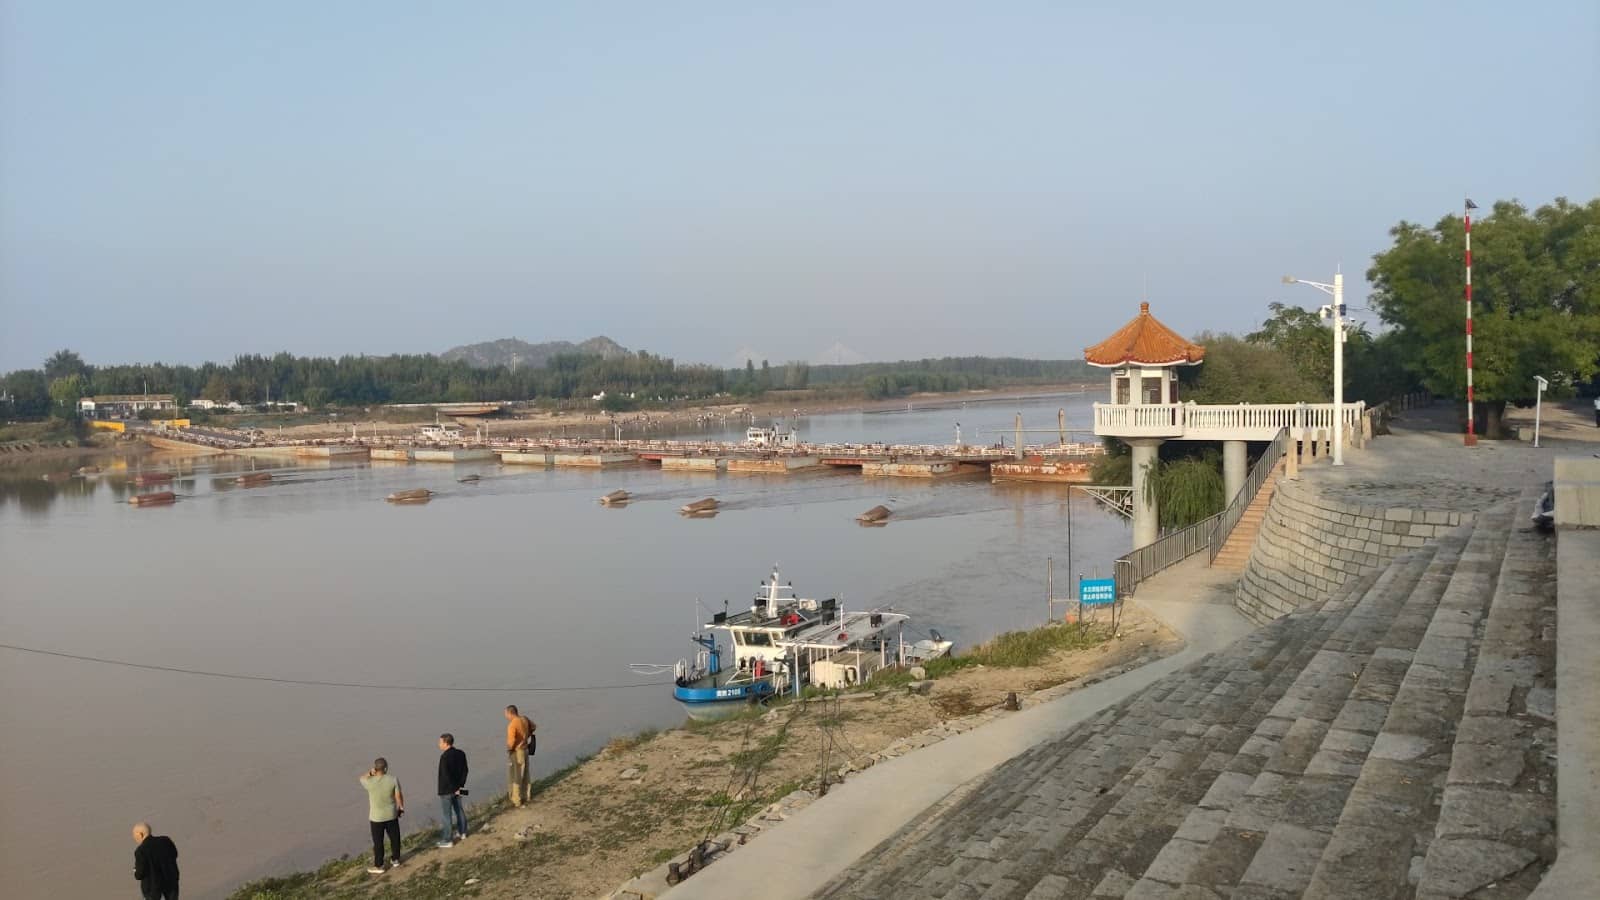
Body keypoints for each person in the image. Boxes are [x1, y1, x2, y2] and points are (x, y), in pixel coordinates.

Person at [359, 758, 404, 874]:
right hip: (391, 815)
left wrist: (370, 772)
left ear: (375, 768)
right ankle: (396, 859)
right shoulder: (393, 779)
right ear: (386, 768)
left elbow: (361, 778)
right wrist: (401, 808)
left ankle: (379, 865)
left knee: (378, 842)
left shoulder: (369, 781)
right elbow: (398, 796)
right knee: (395, 838)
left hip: (376, 817)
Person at [131, 822, 179, 900]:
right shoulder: (166, 841)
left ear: (141, 834)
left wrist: (135, 870)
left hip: (152, 888)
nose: (134, 837)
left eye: (134, 835)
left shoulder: (141, 851)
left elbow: (139, 875)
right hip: (171, 881)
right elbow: (174, 854)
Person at [436, 733, 469, 847]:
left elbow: (446, 775)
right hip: (459, 788)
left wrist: (453, 788)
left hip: (447, 790)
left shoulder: (444, 757)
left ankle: (447, 839)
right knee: (459, 810)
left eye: (440, 742)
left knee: (447, 815)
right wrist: (460, 786)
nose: (439, 744)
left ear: (446, 743)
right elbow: (465, 770)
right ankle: (463, 832)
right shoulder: (461, 753)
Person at [504, 704, 535, 806]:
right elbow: (534, 726)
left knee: (516, 775)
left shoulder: (512, 725)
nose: (505, 716)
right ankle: (527, 795)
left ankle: (516, 799)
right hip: (525, 749)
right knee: (525, 774)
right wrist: (527, 736)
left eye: (506, 714)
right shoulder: (524, 719)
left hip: (517, 752)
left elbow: (511, 741)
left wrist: (509, 749)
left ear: (510, 713)